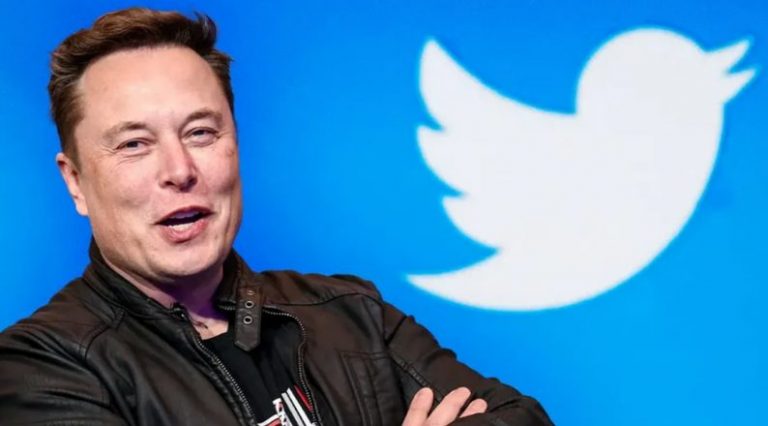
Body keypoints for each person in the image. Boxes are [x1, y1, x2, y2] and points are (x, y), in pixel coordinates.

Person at [0, 8, 552, 425]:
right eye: (134, 144)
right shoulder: (42, 366)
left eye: (201, 133)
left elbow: (519, 416)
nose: (179, 170)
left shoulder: (350, 312)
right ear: (76, 182)